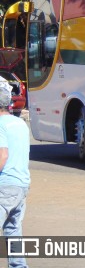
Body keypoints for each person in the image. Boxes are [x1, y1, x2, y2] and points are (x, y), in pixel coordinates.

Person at [0, 75, 30, 268]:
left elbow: (2, 154)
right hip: (22, 184)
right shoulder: (20, 124)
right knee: (13, 229)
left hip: (5, 185)